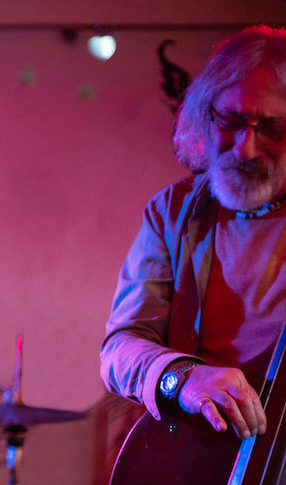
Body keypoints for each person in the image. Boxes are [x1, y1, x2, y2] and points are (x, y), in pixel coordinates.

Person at [100, 24, 286, 441]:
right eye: (232, 120)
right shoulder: (170, 212)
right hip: (193, 459)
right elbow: (121, 347)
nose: (245, 148)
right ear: (206, 115)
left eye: (272, 128)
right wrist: (182, 377)